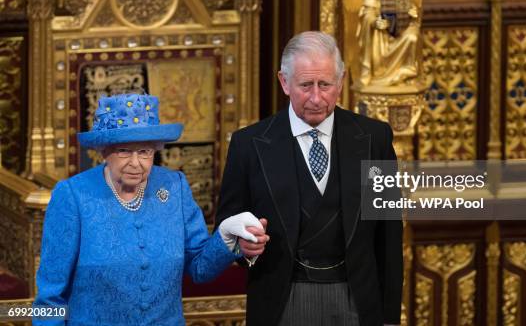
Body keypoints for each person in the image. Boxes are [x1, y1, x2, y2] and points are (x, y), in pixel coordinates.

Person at [216, 31, 403, 325]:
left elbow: (389, 237)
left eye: (325, 84)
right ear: (284, 82)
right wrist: (244, 248)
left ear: (340, 81)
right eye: (306, 85)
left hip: (358, 300)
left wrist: (390, 318)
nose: (316, 97)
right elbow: (228, 227)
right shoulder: (248, 145)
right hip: (282, 301)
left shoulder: (374, 139)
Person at [34, 93, 269, 325]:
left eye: (145, 152)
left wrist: (225, 237)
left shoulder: (173, 186)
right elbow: (50, 298)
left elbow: (200, 268)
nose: (136, 163)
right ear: (104, 151)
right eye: (124, 151)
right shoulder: (73, 195)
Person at [356, 0, 419, 88]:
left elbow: (407, 4)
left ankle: (406, 71)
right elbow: (367, 12)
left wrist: (411, 12)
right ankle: (380, 73)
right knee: (379, 35)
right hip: (381, 34)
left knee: (413, 36)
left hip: (400, 29)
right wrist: (375, 22)